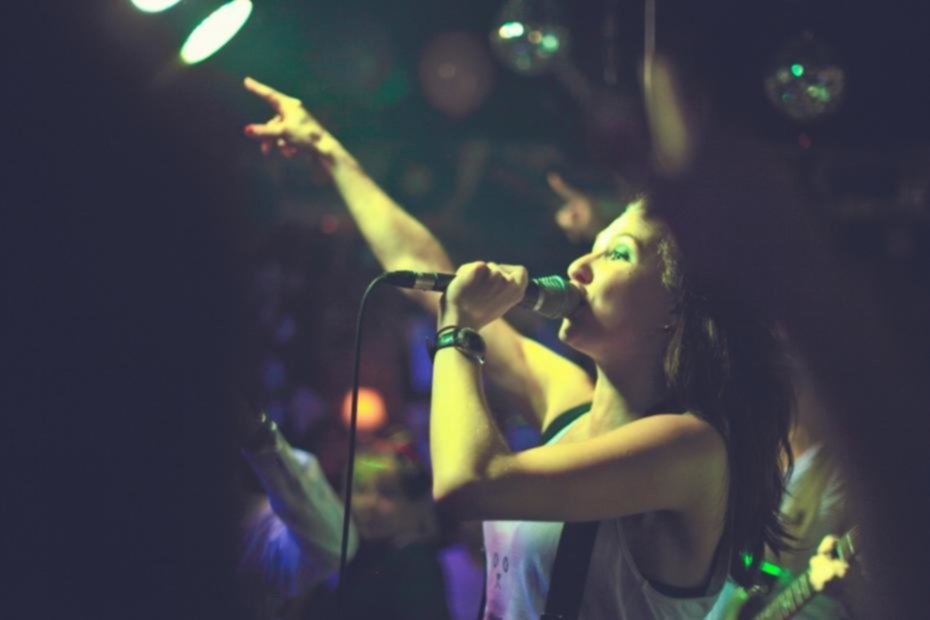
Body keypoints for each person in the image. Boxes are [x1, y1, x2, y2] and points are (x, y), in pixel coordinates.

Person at [242, 77, 794, 618]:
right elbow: (425, 269)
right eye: (593, 247)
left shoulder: (690, 448)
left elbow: (467, 483)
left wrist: (460, 329)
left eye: (617, 254)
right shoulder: (568, 401)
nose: (580, 265)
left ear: (678, 306)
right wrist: (330, 152)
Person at [302, 431, 452, 619]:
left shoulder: (415, 566)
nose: (370, 503)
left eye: (387, 493)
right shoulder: (349, 557)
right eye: (360, 489)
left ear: (414, 505)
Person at [236, 408, 359, 619]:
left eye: (343, 441)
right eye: (331, 442)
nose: (339, 449)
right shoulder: (283, 496)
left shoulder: (340, 494)